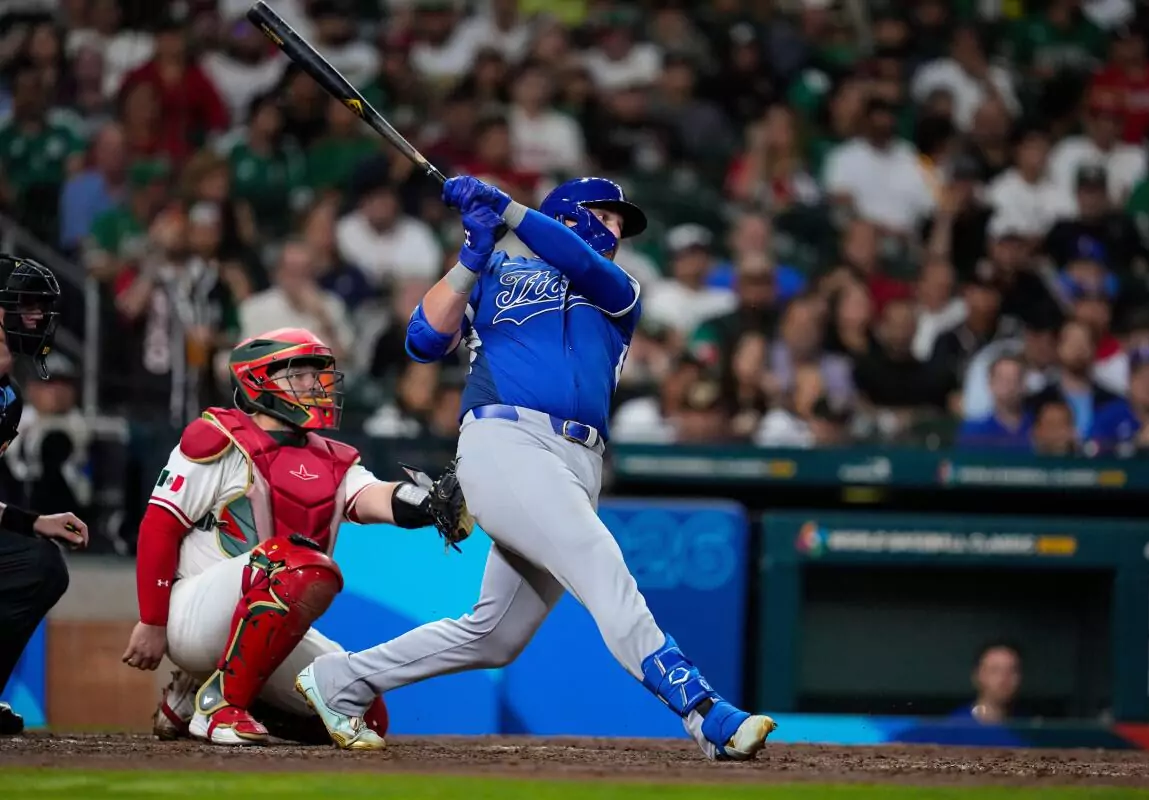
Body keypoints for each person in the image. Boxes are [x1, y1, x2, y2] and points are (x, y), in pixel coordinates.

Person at [294, 176, 777, 760]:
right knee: (600, 566)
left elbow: (575, 258)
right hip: (505, 442)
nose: (618, 228)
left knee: (494, 636)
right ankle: (703, 712)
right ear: (571, 213)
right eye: (609, 214)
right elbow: (422, 340)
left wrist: (510, 208)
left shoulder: (619, 286)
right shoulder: (496, 271)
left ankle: (339, 680)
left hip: (578, 461)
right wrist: (471, 257)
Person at [120, 327, 472, 746]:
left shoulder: (333, 459)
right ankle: (220, 708)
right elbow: (160, 525)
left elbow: (378, 497)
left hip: (259, 623)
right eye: (300, 374)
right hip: (194, 615)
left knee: (358, 709)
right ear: (258, 379)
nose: (315, 385)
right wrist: (152, 621)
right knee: (299, 564)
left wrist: (429, 502)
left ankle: (195, 694)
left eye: (318, 374)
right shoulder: (219, 437)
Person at [0, 256, 89, 736]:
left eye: (40, 308)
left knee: (40, 564)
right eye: (26, 307)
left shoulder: (9, 398)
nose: (38, 319)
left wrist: (31, 521)